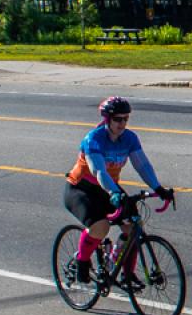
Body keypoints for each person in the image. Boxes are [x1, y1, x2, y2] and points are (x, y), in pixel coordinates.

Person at [63, 97, 174, 284]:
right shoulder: (94, 139)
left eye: (126, 119)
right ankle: (82, 261)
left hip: (108, 188)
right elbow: (99, 171)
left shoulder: (129, 138)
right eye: (118, 119)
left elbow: (142, 164)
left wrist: (158, 188)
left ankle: (126, 274)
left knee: (133, 228)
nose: (122, 123)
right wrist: (115, 193)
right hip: (82, 188)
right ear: (107, 119)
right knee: (101, 227)